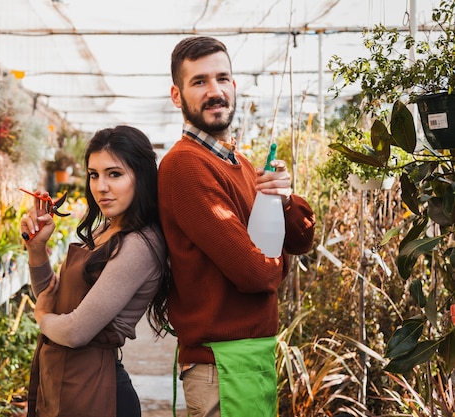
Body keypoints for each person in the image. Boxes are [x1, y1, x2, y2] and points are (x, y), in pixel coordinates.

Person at [157, 36, 316, 417]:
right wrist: (277, 264)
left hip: (250, 353)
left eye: (221, 78)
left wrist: (284, 199)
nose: (214, 92)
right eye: (199, 82)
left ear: (233, 86)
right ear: (177, 96)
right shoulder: (186, 166)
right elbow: (252, 273)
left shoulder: (241, 164)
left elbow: (302, 238)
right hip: (219, 363)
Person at [21, 125, 170, 417]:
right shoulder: (106, 229)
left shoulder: (139, 243)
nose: (101, 186)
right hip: (67, 382)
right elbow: (53, 297)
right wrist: (37, 249)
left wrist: (41, 317)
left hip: (98, 392)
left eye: (114, 174)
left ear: (141, 176)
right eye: (94, 174)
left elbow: (76, 331)